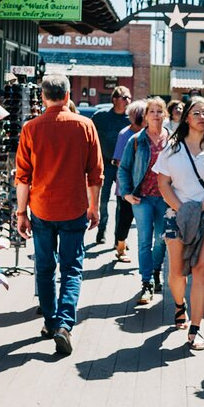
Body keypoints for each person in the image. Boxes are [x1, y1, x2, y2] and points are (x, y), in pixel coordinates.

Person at [15, 74, 103, 355]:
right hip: (74, 207)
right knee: (71, 269)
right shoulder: (85, 125)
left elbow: (22, 177)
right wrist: (95, 207)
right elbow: (96, 174)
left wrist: (20, 213)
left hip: (41, 208)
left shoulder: (31, 128)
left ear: (43, 97)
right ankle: (65, 323)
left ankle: (51, 322)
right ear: (67, 96)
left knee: (44, 267)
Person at [153, 96, 204, 350]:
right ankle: (180, 305)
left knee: (201, 268)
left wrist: (200, 207)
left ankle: (195, 329)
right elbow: (163, 183)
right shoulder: (172, 148)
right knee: (177, 272)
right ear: (186, 116)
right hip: (177, 213)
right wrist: (183, 210)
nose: (203, 117)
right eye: (197, 112)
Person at [118, 97, 170, 303]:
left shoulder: (172, 140)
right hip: (143, 198)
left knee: (161, 239)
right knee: (144, 240)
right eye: (152, 112)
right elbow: (124, 168)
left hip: (166, 199)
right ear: (146, 116)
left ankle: (156, 270)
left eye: (159, 111)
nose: (156, 115)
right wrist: (126, 193)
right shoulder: (137, 140)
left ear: (164, 115)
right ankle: (146, 282)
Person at [91, 86, 132, 244]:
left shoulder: (131, 120)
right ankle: (101, 231)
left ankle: (119, 237)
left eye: (129, 98)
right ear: (114, 99)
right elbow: (90, 137)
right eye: (124, 97)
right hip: (105, 164)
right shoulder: (101, 117)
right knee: (104, 200)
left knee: (122, 202)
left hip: (123, 166)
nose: (128, 101)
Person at [111, 99, 146, 264]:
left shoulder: (148, 134)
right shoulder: (126, 135)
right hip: (128, 186)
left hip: (145, 186)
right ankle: (120, 248)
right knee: (125, 218)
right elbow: (119, 162)